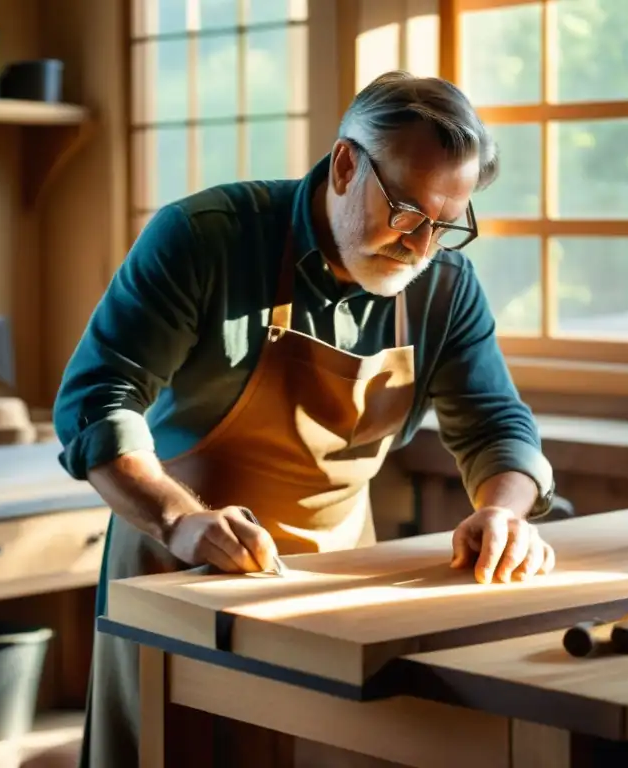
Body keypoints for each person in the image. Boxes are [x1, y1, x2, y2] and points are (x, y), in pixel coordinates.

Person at [53, 70, 558, 768]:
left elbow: (498, 425)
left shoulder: (443, 285)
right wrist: (180, 520)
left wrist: (504, 513)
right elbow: (97, 401)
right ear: (347, 164)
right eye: (408, 213)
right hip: (174, 566)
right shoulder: (206, 240)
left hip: (335, 587)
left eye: (446, 225)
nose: (420, 246)